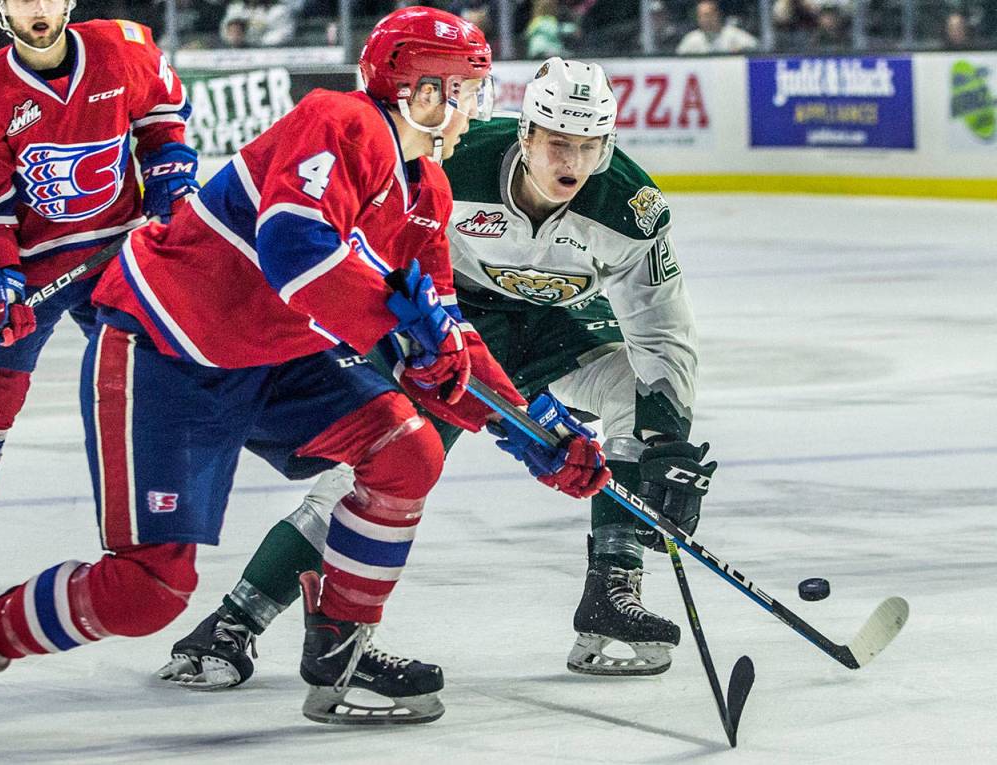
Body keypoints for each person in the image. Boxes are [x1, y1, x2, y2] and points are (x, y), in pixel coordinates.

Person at [0, 7, 610, 726]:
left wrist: (532, 431)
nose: (477, 107)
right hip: (166, 349)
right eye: (468, 89)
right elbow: (296, 251)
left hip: (278, 358)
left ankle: (339, 650)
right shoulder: (336, 120)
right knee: (147, 590)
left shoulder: (426, 192)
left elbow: (446, 340)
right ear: (423, 92)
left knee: (408, 449)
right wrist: (403, 326)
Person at [156, 57, 715, 691]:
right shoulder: (456, 159)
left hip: (552, 330)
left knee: (632, 386)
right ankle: (233, 623)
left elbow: (662, 334)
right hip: (449, 329)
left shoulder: (632, 210)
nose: (573, 162)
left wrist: (664, 442)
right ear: (525, 133)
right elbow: (370, 250)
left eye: (590, 146)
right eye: (558, 142)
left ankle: (612, 595)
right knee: (387, 461)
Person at [0, 0, 197, 555]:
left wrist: (167, 170)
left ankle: (151, 535)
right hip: (34, 265)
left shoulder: (121, 48)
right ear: (0, 8)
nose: (38, 8)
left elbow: (161, 117)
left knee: (159, 377)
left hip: (118, 251)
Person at [675, 0, 757, 54]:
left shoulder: (732, 34)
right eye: (700, 16)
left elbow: (755, 47)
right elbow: (677, 59)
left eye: (707, 15)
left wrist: (742, 52)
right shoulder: (692, 39)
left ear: (717, 15)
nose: (704, 20)